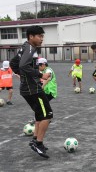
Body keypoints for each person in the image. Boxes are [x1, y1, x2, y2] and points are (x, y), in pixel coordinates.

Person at [19, 26, 52, 158]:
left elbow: (15, 63)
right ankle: (38, 143)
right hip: (32, 89)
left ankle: (35, 140)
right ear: (31, 37)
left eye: (42, 36)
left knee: (40, 115)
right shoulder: (30, 48)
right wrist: (39, 75)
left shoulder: (25, 47)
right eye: (39, 36)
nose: (41, 39)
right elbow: (22, 65)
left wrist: (23, 76)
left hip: (29, 88)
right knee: (47, 115)